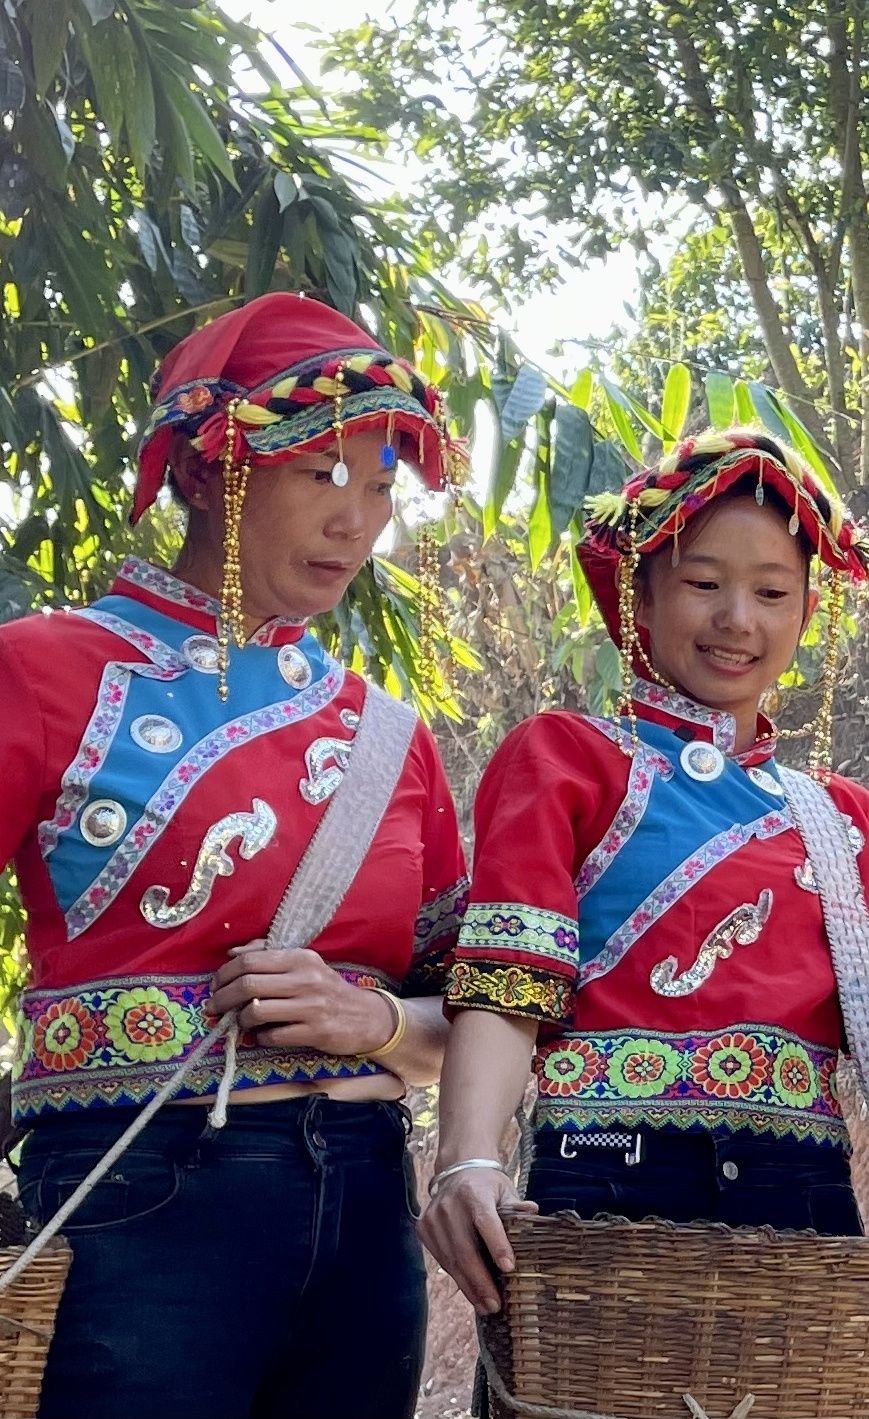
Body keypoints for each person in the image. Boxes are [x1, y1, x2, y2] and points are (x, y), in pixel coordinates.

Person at [419, 428, 869, 1346]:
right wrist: (467, 1161)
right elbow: (508, 985)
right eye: (702, 583)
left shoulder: (839, 813)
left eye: (771, 592)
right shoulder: (566, 758)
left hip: (799, 1194)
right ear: (640, 594)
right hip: (603, 1177)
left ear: (805, 613)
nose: (738, 618)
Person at [0, 292, 471, 1419]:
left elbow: (480, 1010)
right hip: (135, 1190)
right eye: (322, 474)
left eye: (382, 486)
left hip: (367, 1200)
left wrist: (377, 1022)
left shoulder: (390, 737)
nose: (357, 521)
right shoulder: (45, 668)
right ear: (208, 474)